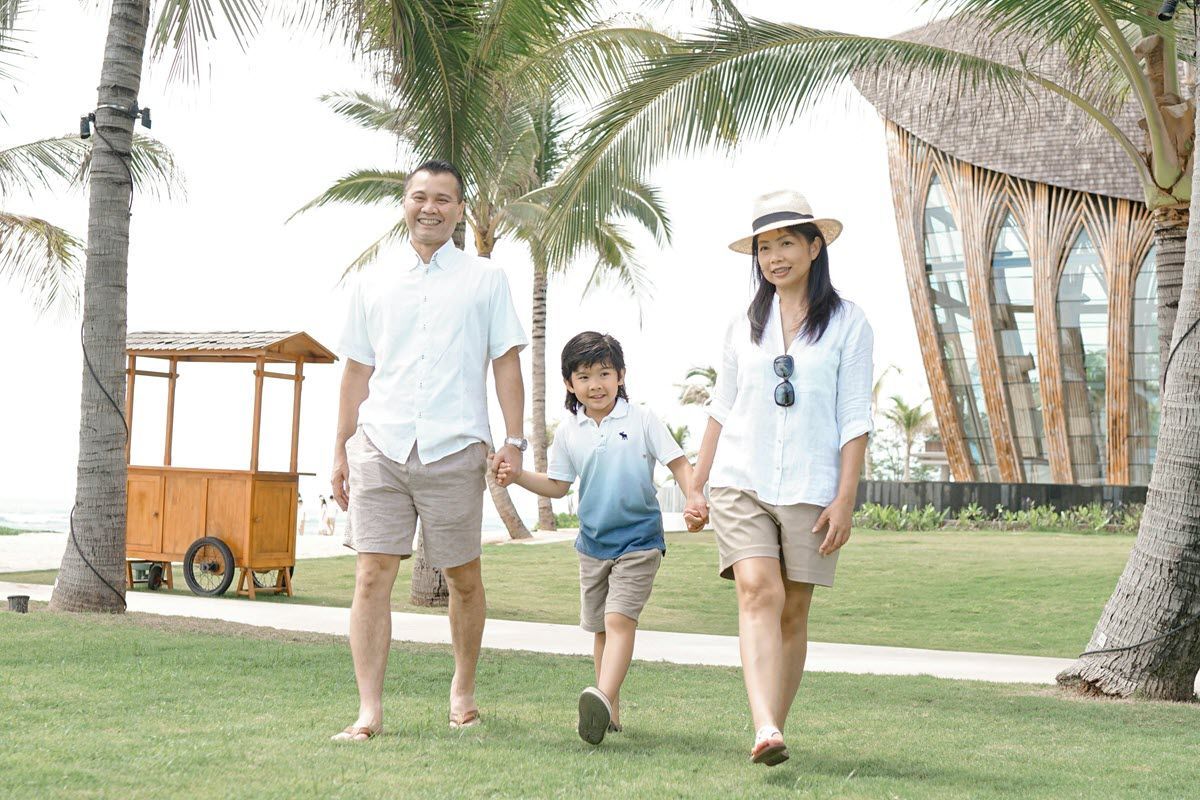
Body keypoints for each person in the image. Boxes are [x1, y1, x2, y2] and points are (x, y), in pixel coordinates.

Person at [329, 159, 528, 742]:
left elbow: (506, 364)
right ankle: (369, 710)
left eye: (444, 199)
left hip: (454, 448)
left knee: (464, 578)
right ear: (404, 203)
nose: (431, 207)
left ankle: (462, 690)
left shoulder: (486, 279)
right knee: (371, 575)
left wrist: (513, 439)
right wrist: (340, 449)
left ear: (460, 210)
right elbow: (356, 371)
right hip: (380, 444)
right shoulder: (372, 281)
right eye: (420, 197)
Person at [685, 190, 872, 766]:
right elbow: (722, 406)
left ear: (815, 248)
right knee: (757, 590)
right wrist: (697, 482)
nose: (774, 257)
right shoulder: (745, 325)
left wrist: (845, 500)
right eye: (764, 247)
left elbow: (855, 417)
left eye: (786, 243)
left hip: (812, 486)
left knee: (793, 611)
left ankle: (773, 729)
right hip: (742, 477)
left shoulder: (848, 323)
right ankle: (763, 721)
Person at [495, 331, 705, 745]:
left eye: (604, 373)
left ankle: (603, 698)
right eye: (585, 376)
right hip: (592, 544)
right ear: (570, 384)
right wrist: (517, 476)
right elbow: (558, 485)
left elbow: (679, 463)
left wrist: (694, 496)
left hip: (639, 539)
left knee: (618, 618)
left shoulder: (642, 418)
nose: (596, 384)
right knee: (601, 630)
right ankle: (610, 712)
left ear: (621, 376)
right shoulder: (569, 431)